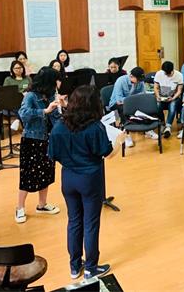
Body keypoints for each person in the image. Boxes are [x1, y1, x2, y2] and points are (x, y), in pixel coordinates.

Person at [48, 85, 124, 280]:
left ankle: (74, 266)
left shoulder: (59, 126)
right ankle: (91, 267)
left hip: (68, 178)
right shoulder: (95, 127)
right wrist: (119, 141)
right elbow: (107, 154)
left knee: (74, 221)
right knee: (90, 223)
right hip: (90, 179)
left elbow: (53, 155)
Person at [16, 67, 64, 224]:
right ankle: (20, 207)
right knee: (27, 174)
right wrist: (44, 110)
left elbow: (56, 118)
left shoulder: (51, 95)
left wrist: (62, 106)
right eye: (56, 80)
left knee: (46, 172)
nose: (58, 83)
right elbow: (23, 114)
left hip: (48, 139)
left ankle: (42, 205)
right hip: (32, 140)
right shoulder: (31, 95)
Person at [108, 67, 146, 148]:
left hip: (131, 102)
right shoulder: (121, 81)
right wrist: (134, 99)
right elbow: (119, 101)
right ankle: (126, 135)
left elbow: (143, 94)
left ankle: (147, 128)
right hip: (116, 103)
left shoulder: (140, 81)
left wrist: (134, 99)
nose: (140, 82)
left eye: (141, 80)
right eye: (138, 79)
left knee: (145, 105)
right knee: (123, 108)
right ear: (131, 76)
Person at [154, 61, 184, 139]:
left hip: (173, 97)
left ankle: (168, 127)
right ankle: (162, 123)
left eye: (168, 74)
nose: (167, 75)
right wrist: (158, 96)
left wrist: (173, 98)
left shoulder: (179, 75)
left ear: (172, 70)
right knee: (157, 105)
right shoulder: (159, 74)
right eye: (165, 73)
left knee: (172, 105)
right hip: (161, 97)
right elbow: (156, 87)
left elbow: (179, 91)